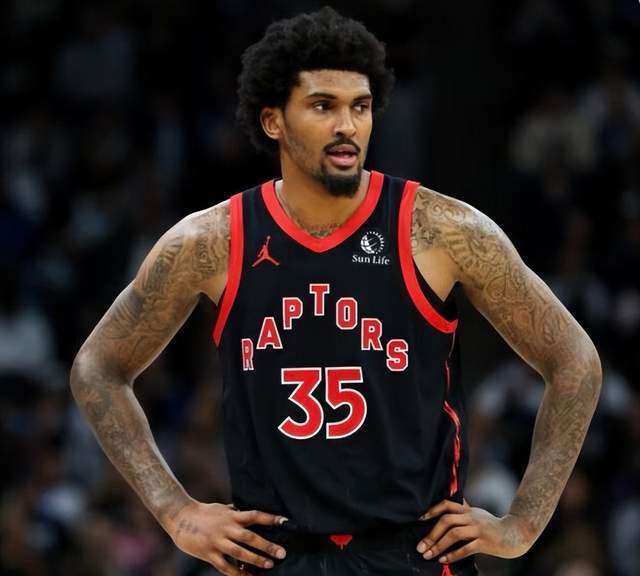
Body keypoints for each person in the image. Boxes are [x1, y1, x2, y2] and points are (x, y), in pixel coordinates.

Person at [70, 7, 602, 576]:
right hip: (277, 555)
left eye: (361, 107)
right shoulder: (213, 241)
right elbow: (97, 368)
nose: (348, 125)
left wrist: (521, 525)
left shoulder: (441, 230)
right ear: (273, 121)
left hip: (415, 555)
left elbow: (575, 361)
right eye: (323, 106)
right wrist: (175, 512)